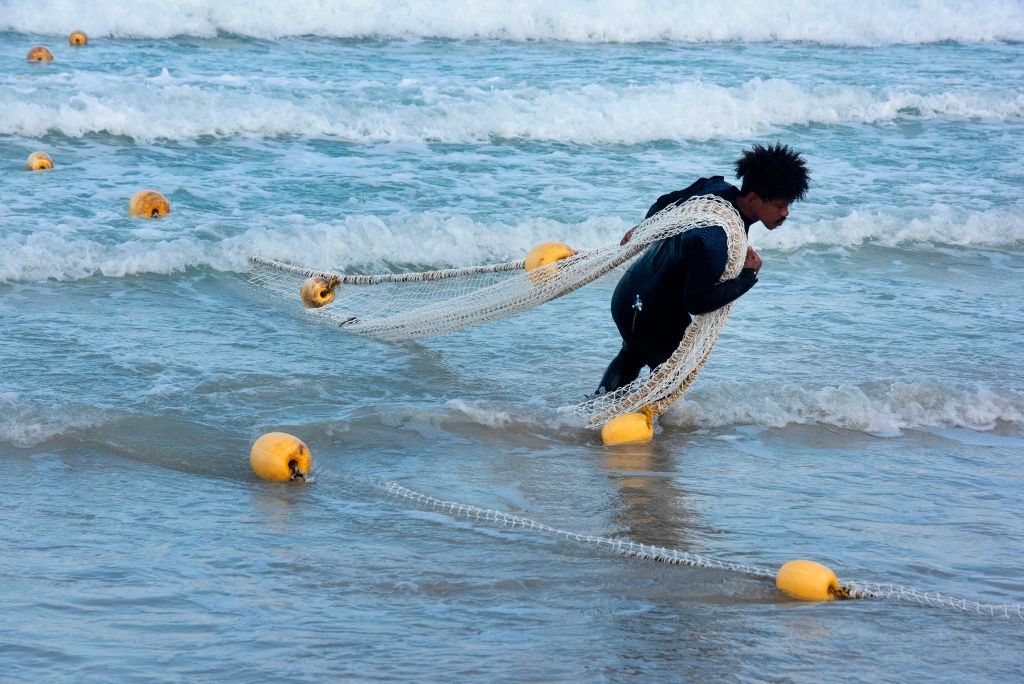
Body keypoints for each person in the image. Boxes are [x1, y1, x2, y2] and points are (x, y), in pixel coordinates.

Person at [594, 142, 810, 395]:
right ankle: (637, 425)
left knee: (632, 354)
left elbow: (663, 203)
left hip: (627, 296)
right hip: (652, 316)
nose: (785, 213)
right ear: (753, 199)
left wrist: (645, 228)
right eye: (780, 205)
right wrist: (747, 277)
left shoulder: (713, 188)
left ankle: (598, 411)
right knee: (671, 378)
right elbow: (696, 302)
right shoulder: (718, 239)